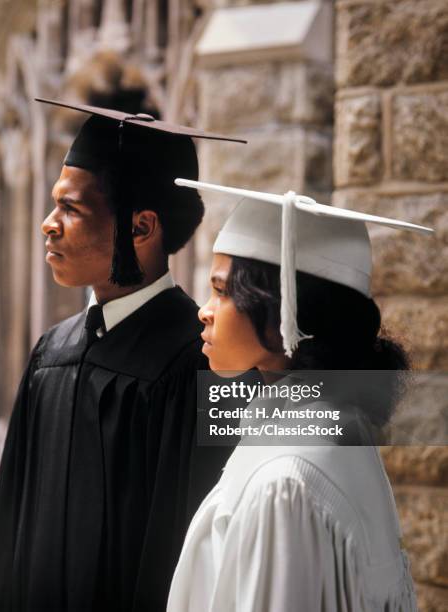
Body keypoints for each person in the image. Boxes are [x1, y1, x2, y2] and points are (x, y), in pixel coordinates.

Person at [0, 100, 253, 611]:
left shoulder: (199, 367)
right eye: (54, 204)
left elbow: (191, 563)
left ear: (141, 228)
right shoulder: (50, 354)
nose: (48, 224)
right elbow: (8, 532)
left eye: (71, 208)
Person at [167, 180, 431, 612]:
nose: (205, 309)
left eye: (221, 290)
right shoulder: (333, 433)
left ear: (282, 311)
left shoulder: (286, 481)